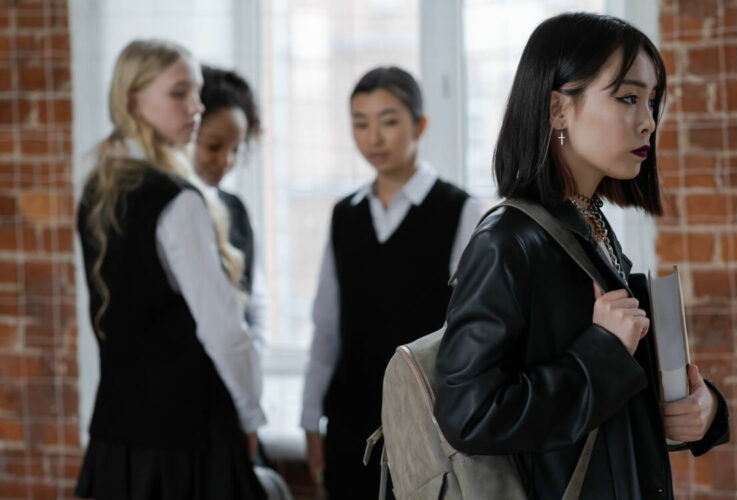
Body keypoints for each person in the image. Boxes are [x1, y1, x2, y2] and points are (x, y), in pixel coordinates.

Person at [432, 13, 730, 500]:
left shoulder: (588, 226)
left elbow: (602, 406)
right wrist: (602, 351)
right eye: (628, 98)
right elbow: (468, 414)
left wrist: (705, 409)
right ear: (557, 110)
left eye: (652, 101)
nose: (648, 120)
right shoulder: (508, 241)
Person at [75, 40, 266, 500]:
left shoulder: (97, 192)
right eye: (179, 93)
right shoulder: (177, 200)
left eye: (197, 93)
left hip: (116, 440)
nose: (196, 108)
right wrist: (251, 417)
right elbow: (224, 331)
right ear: (133, 100)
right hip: (189, 444)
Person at [300, 66, 484, 499]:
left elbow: (472, 332)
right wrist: (310, 419)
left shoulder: (460, 210)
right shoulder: (344, 215)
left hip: (429, 419)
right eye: (360, 123)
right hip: (350, 423)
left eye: (388, 121)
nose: (373, 138)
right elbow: (326, 328)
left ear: (419, 124)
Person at [193, 64, 267, 358]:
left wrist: (256, 354)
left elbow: (257, 299)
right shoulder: (167, 208)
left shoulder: (236, 209)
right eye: (213, 146)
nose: (225, 160)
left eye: (236, 149)